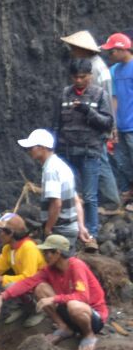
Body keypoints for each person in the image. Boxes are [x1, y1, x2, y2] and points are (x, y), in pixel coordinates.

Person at [0, 234, 108, 350]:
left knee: (74, 305)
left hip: (92, 316)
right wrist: (2, 297)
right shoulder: (49, 269)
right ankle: (64, 327)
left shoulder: (76, 265)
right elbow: (28, 282)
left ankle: (89, 335)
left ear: (57, 253)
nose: (44, 256)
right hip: (70, 311)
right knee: (40, 288)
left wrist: (54, 299)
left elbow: (83, 297)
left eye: (47, 253)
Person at [53, 59, 115, 240]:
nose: (79, 81)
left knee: (89, 196)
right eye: (75, 77)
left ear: (90, 76)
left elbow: (107, 123)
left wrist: (88, 112)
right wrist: (55, 148)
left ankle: (91, 234)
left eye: (83, 77)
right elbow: (56, 123)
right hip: (66, 152)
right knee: (67, 194)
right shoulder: (65, 94)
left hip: (89, 151)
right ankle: (67, 230)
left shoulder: (99, 95)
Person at [62, 30, 121, 212]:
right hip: (100, 119)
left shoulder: (92, 69)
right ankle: (106, 199)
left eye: (74, 48)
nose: (71, 51)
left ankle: (111, 201)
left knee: (101, 160)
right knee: (101, 160)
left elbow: (97, 97)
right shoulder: (99, 64)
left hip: (94, 123)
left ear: (82, 49)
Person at [17, 128, 89, 253]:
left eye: (31, 147)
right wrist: (81, 226)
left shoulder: (50, 170)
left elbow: (56, 203)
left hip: (60, 228)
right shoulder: (62, 166)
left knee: (57, 267)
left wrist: (48, 229)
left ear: (42, 147)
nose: (29, 151)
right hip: (71, 226)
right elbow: (76, 200)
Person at [0, 212, 43, 324]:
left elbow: (29, 278)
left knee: (9, 284)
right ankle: (22, 306)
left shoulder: (28, 248)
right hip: (26, 286)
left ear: (10, 233)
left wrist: (2, 279)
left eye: (1, 231)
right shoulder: (8, 248)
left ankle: (39, 310)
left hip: (38, 287)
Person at [100, 33, 133, 203]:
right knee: (123, 161)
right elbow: (113, 98)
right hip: (121, 125)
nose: (109, 55)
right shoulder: (113, 71)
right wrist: (112, 123)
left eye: (111, 52)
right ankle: (129, 191)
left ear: (122, 49)